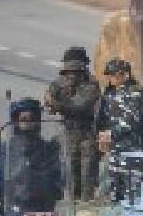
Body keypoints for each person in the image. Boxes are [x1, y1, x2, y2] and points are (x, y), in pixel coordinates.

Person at [96, 58, 143, 202]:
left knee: (133, 193)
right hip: (115, 151)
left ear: (125, 75)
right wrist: (102, 136)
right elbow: (104, 119)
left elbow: (132, 121)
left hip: (133, 150)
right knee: (115, 191)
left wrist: (110, 134)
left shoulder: (136, 94)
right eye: (110, 75)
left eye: (114, 75)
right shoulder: (110, 94)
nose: (111, 79)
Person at [44, 47, 102, 201]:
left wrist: (56, 104)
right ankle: (72, 203)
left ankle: (85, 203)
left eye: (74, 71)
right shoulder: (60, 83)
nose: (70, 75)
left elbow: (79, 106)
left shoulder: (91, 85)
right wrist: (49, 102)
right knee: (70, 171)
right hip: (68, 132)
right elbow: (50, 96)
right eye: (68, 71)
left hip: (86, 133)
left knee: (87, 172)